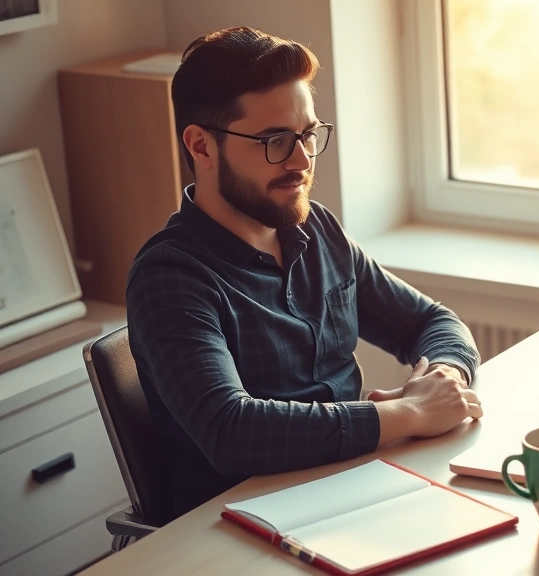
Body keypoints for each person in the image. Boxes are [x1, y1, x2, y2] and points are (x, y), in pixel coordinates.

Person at [126, 26, 483, 521]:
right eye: (275, 140)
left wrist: (443, 379)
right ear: (202, 148)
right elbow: (232, 430)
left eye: (307, 135)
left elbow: (432, 323)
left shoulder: (318, 229)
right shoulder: (170, 277)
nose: (301, 160)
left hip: (351, 490)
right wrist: (407, 414)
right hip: (238, 527)